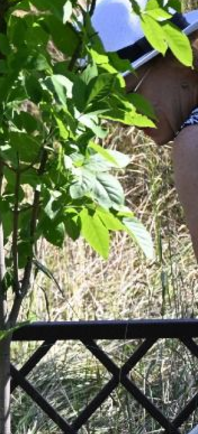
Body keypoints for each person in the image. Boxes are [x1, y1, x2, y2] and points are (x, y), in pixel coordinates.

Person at [93, 0, 198, 261]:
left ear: (178, 61)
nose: (125, 121)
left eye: (129, 96)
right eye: (111, 108)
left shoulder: (192, 143)